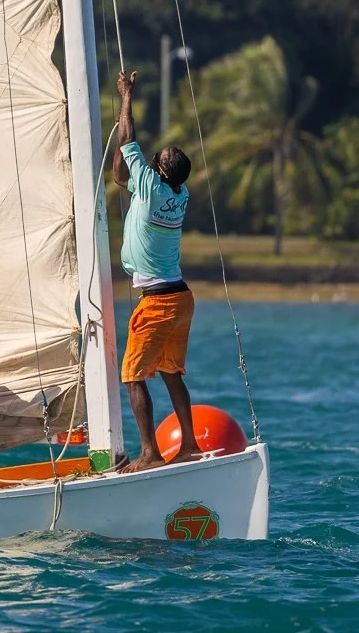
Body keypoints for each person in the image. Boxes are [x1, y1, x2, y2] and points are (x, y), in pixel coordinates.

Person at [112, 70, 203, 474]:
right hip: (180, 297)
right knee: (169, 372)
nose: (160, 154)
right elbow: (120, 174)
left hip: (159, 300)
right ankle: (191, 444)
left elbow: (127, 139)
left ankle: (150, 452)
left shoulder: (150, 185)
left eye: (162, 158)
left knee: (133, 376)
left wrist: (126, 95)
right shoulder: (178, 193)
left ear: (160, 172)